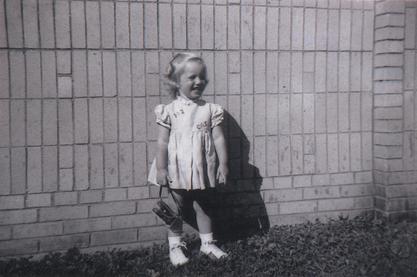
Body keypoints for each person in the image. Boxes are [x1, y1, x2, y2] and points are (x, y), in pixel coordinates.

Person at [152, 52, 229, 266]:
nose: (199, 81)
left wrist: (223, 164)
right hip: (176, 166)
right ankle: (176, 246)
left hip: (202, 167)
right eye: (192, 77)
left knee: (203, 205)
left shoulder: (211, 110)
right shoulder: (168, 111)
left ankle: (207, 243)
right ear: (176, 82)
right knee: (175, 208)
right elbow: (162, 142)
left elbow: (219, 137)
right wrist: (161, 168)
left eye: (202, 77)